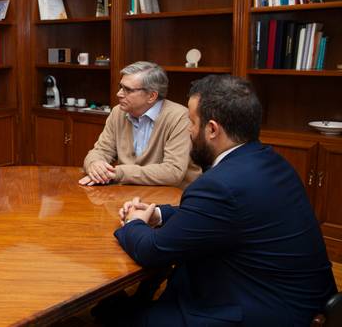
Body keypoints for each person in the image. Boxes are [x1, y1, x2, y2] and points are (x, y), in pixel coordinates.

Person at [115, 75, 337, 326]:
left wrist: (134, 222)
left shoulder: (220, 184)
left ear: (211, 129)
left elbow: (151, 251)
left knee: (129, 318)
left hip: (262, 311)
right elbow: (223, 217)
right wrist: (159, 215)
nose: (188, 130)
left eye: (191, 121)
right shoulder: (271, 161)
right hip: (299, 300)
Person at [80, 61, 200, 188]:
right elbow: (101, 151)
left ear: (152, 96)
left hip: (172, 198)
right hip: (129, 193)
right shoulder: (118, 112)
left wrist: (117, 173)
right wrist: (95, 164)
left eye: (128, 90)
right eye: (121, 87)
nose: (119, 94)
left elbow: (173, 172)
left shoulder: (180, 117)